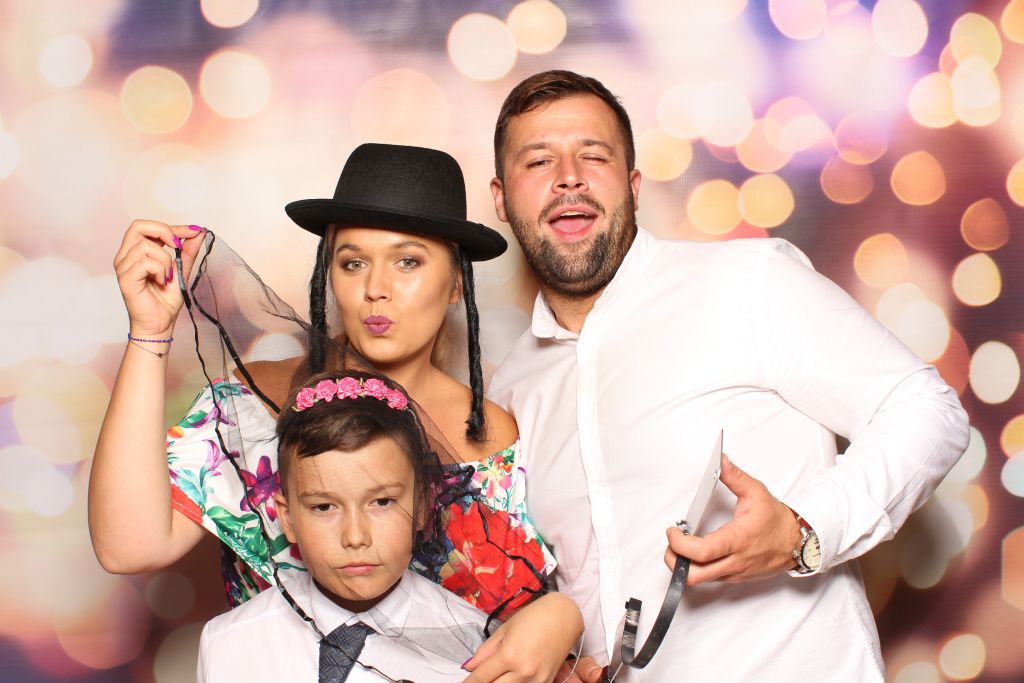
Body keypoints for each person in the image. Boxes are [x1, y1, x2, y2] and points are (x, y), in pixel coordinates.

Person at [486, 70, 970, 681]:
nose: (568, 177)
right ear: (501, 199)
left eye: (594, 155)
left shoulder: (748, 283)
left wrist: (803, 532)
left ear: (633, 185)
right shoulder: (509, 390)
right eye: (538, 161)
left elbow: (927, 408)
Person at [90, 143, 583, 681]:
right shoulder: (257, 403)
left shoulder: (494, 436)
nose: (375, 290)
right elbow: (127, 547)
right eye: (353, 263)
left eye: (408, 261)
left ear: (456, 283)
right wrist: (149, 331)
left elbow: (534, 611)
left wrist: (563, 617)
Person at [199, 370, 564, 682]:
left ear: (421, 506)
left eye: (382, 502)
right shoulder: (227, 643)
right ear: (288, 517)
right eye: (324, 507)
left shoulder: (480, 647)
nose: (355, 537)